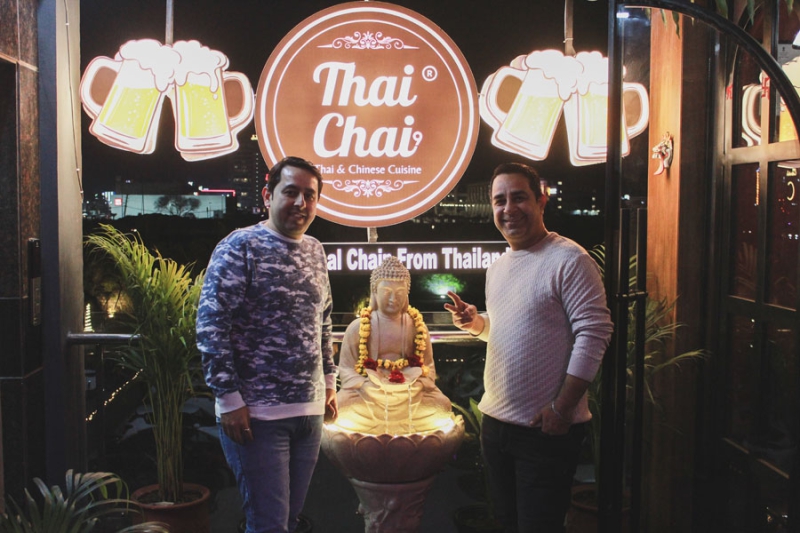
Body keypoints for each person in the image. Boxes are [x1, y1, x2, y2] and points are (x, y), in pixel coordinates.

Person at [444, 162, 613, 533]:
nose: (509, 209)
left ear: (541, 201)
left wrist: (562, 408)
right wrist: (476, 324)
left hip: (545, 431)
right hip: (496, 425)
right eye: (499, 200)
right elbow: (510, 331)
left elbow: (595, 333)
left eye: (519, 197)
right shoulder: (498, 268)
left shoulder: (570, 259)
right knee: (507, 524)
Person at [197, 156, 338, 533]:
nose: (301, 203)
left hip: (309, 414)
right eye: (290, 192)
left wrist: (329, 383)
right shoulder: (239, 245)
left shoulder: (315, 250)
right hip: (256, 418)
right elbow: (211, 325)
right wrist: (229, 400)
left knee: (288, 521)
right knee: (268, 525)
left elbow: (323, 321)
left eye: (310, 195)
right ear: (267, 196)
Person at [336, 256, 452, 435]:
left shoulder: (416, 326)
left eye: (399, 293)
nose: (393, 298)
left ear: (407, 294)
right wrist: (365, 385)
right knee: (342, 408)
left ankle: (381, 427)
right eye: (386, 292)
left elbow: (428, 367)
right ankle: (401, 427)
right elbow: (345, 368)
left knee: (442, 407)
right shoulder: (358, 327)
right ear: (375, 292)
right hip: (370, 393)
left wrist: (417, 385)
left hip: (409, 393)